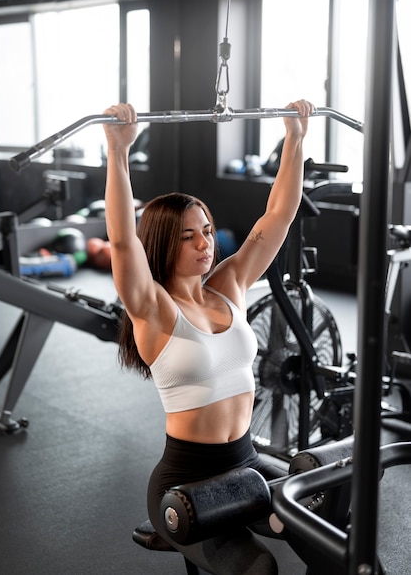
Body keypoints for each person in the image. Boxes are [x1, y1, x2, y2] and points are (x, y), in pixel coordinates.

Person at [103, 99, 315, 575]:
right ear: (162, 243)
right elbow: (121, 242)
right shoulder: (154, 308)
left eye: (208, 231)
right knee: (258, 567)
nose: (205, 244)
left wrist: (295, 139)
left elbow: (277, 217)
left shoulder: (230, 286)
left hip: (248, 464)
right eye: (188, 237)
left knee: (323, 520)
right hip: (185, 483)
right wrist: (117, 154)